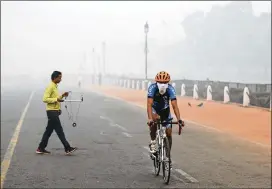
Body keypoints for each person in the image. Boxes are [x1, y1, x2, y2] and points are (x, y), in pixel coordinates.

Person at [147, 71, 185, 167]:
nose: (162, 85)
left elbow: (174, 105)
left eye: (165, 83)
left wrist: (179, 119)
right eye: (160, 83)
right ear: (156, 82)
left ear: (168, 82)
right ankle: (153, 142)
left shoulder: (170, 89)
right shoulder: (152, 88)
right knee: (154, 120)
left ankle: (168, 156)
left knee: (168, 132)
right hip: (155, 110)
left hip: (165, 110)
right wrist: (150, 119)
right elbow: (149, 104)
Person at [36, 71, 77, 155]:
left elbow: (56, 98)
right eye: (59, 77)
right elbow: (45, 99)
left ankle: (40, 148)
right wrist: (56, 100)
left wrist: (62, 96)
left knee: (48, 131)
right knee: (59, 131)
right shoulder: (50, 87)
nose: (61, 79)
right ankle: (67, 148)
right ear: (55, 78)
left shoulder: (55, 87)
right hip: (51, 112)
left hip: (54, 112)